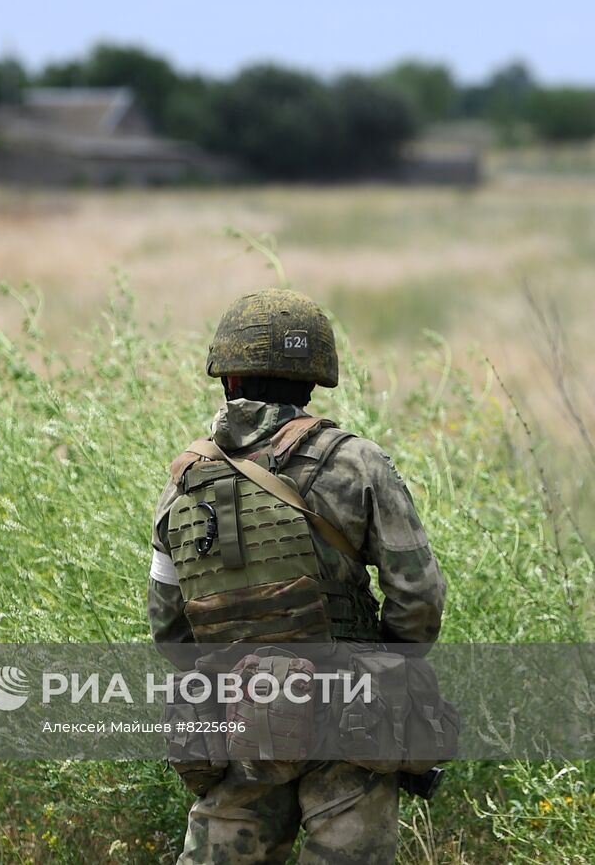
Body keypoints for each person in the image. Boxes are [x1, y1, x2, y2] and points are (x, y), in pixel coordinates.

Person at [148, 288, 446, 865]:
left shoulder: (182, 483)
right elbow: (419, 597)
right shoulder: (358, 463)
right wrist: (378, 674)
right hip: (348, 726)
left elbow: (169, 629)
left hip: (238, 727)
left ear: (228, 380)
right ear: (314, 381)